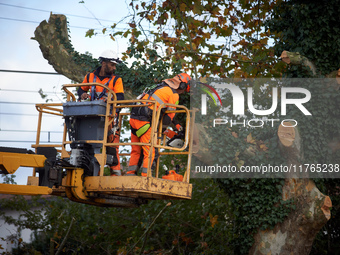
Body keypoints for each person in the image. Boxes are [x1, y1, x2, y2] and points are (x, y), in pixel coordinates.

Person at [127, 73, 191, 177]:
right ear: (182, 86)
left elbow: (165, 111)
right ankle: (146, 177)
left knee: (136, 150)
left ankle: (130, 174)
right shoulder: (174, 95)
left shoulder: (159, 87)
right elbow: (167, 118)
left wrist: (177, 125)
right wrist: (161, 131)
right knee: (151, 150)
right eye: (184, 90)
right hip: (145, 121)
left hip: (134, 118)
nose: (183, 92)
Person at [77, 49, 124, 176]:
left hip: (109, 119)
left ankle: (115, 174)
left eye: (115, 65)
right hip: (92, 117)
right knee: (89, 145)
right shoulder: (90, 77)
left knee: (112, 146)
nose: (114, 68)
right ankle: (91, 173)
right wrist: (83, 95)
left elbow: (120, 98)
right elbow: (80, 91)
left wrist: (110, 100)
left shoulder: (116, 80)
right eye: (112, 65)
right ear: (103, 63)